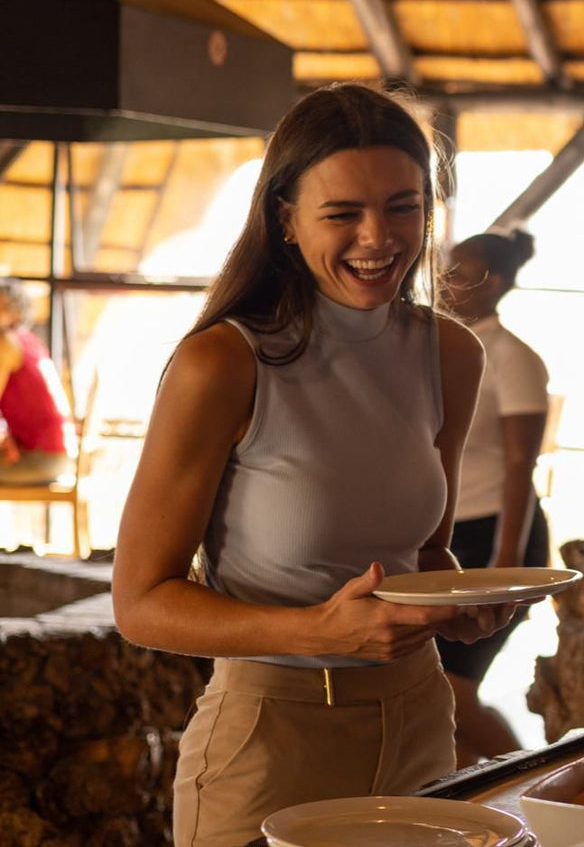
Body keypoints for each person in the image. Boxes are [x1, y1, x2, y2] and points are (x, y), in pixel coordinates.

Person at [111, 84, 513, 847]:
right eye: (342, 214)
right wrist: (317, 633)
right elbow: (140, 604)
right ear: (284, 220)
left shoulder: (451, 353)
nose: (379, 237)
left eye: (404, 206)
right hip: (270, 740)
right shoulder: (222, 365)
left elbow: (425, 553)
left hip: (420, 724)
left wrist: (460, 603)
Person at [440, 229, 553, 763]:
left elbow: (519, 464)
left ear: (495, 283)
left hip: (497, 535)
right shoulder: (441, 348)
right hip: (449, 537)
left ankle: (524, 790)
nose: (446, 279)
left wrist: (505, 562)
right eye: (447, 266)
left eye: (460, 271)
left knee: (454, 694)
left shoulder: (513, 359)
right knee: (435, 695)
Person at [0, 278, 71, 484]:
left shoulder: (7, 343)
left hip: (44, 458)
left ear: (15, 314)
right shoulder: (28, 340)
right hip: (56, 454)